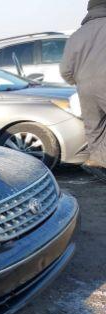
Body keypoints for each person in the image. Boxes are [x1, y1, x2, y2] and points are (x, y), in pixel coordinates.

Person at [60, 0, 106, 181]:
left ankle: (98, 162)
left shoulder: (76, 36)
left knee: (95, 129)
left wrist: (79, 81)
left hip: (85, 87)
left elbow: (65, 70)